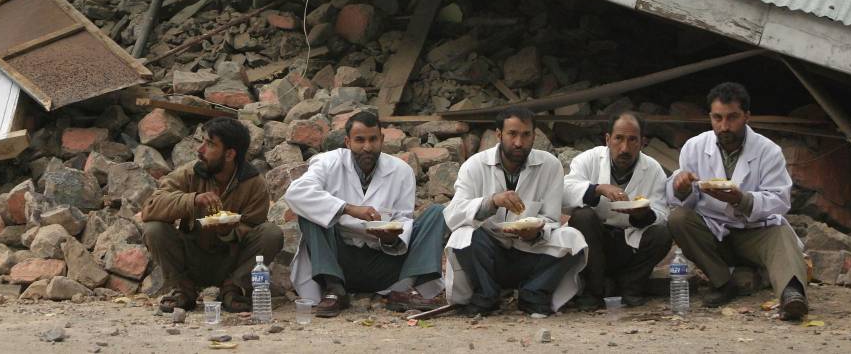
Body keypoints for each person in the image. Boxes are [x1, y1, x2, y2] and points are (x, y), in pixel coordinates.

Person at [284, 111, 448, 317]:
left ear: (382, 140)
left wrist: (391, 240)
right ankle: (334, 290)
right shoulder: (328, 162)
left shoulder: (401, 171)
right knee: (309, 211)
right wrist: (348, 208)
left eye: (373, 139)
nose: (367, 147)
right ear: (347, 141)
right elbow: (296, 193)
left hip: (385, 262)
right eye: (360, 140)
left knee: (437, 213)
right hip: (339, 261)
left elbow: (403, 218)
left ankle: (404, 291)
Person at [666, 82, 808, 320]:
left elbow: (780, 200)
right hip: (713, 231)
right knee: (678, 219)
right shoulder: (695, 147)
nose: (724, 126)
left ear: (746, 116)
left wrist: (743, 200)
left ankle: (792, 294)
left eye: (732, 118)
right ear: (710, 117)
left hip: (755, 231)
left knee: (781, 233)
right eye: (717, 118)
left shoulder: (768, 151)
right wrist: (680, 188)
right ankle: (723, 282)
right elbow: (682, 202)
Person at [444, 107, 587, 316]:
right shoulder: (474, 166)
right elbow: (452, 214)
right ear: (499, 135)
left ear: (534, 136)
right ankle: (486, 294)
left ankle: (533, 293)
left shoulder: (550, 165)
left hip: (530, 253)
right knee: (462, 235)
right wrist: (491, 202)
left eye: (526, 135)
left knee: (572, 238)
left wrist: (536, 231)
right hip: (489, 253)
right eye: (512, 134)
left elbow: (551, 218)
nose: (519, 142)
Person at [142, 117, 283, 313]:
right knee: (154, 228)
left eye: (209, 144)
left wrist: (229, 230)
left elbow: (254, 226)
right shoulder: (190, 173)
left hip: (230, 261)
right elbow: (151, 207)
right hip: (191, 257)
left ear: (229, 154)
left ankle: (232, 289)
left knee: (272, 233)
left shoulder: (254, 183)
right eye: (202, 142)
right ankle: (183, 290)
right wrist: (192, 200)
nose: (200, 150)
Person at [563, 113, 672, 309]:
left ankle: (630, 287)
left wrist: (644, 215)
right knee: (583, 217)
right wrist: (598, 188)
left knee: (662, 233)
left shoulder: (653, 169)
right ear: (607, 139)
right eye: (619, 139)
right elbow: (564, 190)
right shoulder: (589, 159)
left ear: (642, 142)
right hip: (594, 241)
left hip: (629, 243)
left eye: (632, 140)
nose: (625, 148)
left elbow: (662, 214)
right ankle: (593, 290)